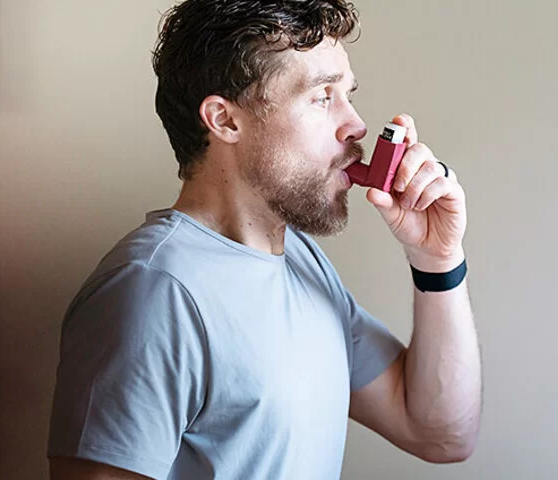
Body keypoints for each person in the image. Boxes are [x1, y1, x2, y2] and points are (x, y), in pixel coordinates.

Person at [46, 1, 481, 478]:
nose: (355, 124)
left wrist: (436, 259)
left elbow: (440, 435)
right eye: (322, 96)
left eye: (348, 93)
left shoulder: (303, 262)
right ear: (225, 120)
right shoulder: (152, 291)